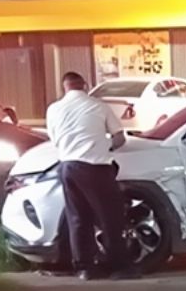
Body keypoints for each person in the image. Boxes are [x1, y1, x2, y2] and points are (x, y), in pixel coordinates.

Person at [45, 72, 136, 280]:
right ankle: (118, 267)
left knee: (78, 218)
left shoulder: (53, 109)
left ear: (64, 87)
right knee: (110, 217)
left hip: (67, 167)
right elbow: (119, 137)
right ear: (85, 85)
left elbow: (55, 140)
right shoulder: (98, 106)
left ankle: (85, 268)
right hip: (96, 166)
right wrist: (106, 147)